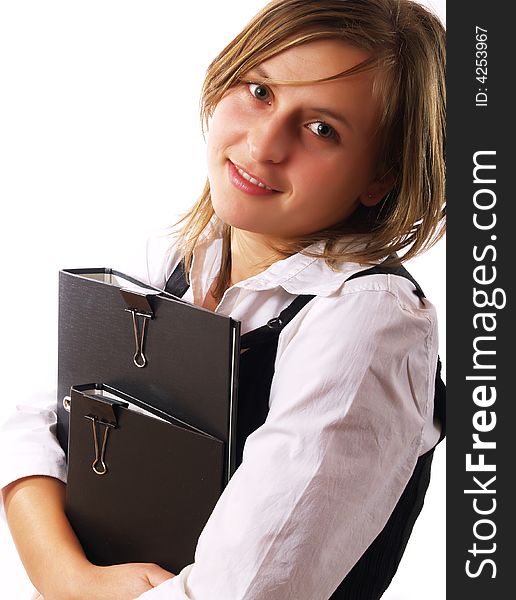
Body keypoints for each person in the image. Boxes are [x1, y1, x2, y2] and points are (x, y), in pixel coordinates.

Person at [0, 0, 446, 598]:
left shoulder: (365, 320)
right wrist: (69, 579)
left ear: (381, 176)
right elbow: (33, 424)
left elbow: (240, 591)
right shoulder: (187, 254)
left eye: (322, 129)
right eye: (260, 91)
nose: (264, 145)